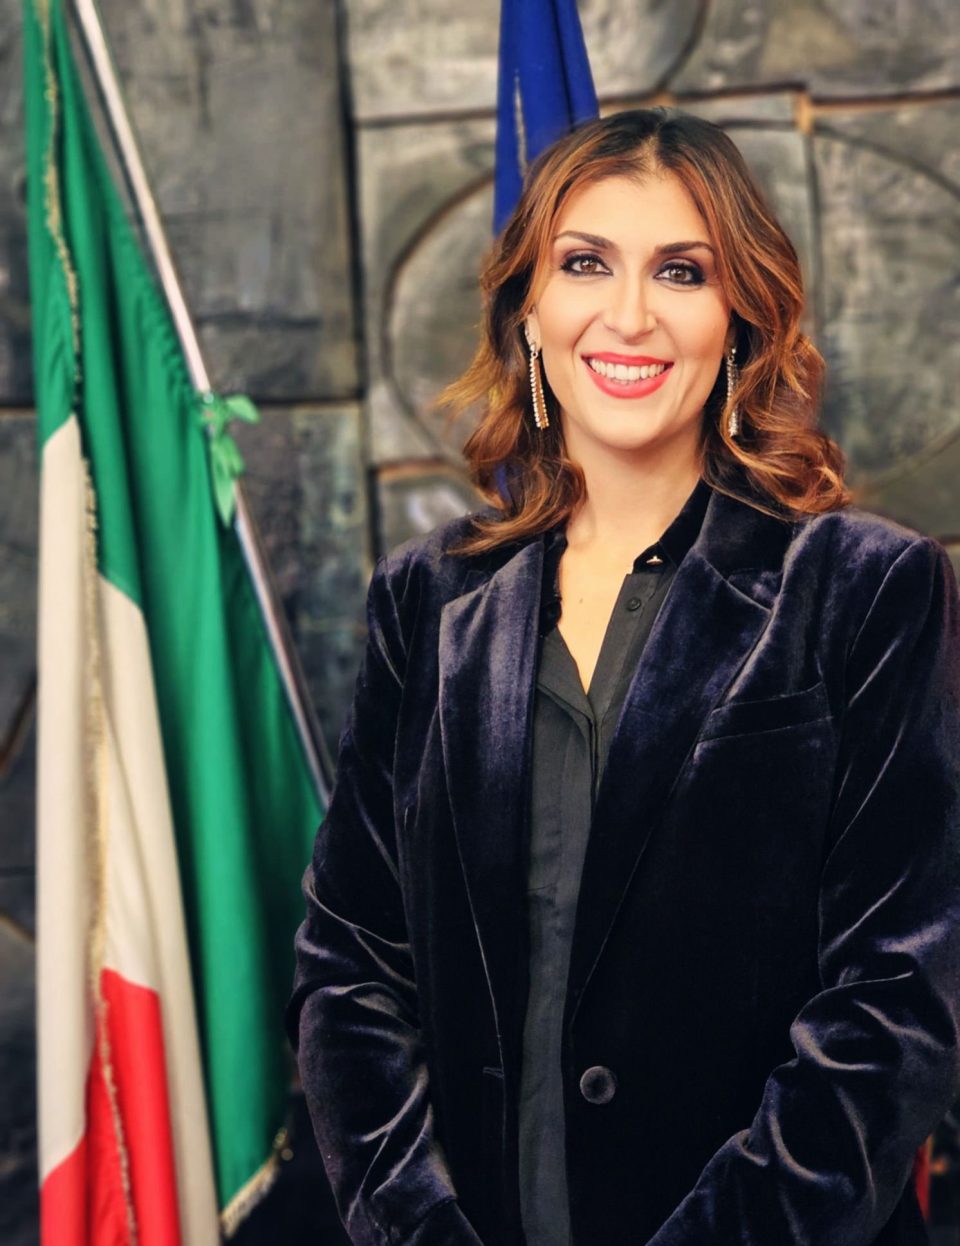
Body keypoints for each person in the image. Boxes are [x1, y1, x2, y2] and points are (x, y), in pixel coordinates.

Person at [286, 108, 960, 1246]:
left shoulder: (865, 587)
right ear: (530, 309)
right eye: (586, 263)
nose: (631, 313)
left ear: (740, 316)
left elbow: (897, 1001)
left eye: (682, 271)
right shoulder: (427, 599)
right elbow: (350, 966)